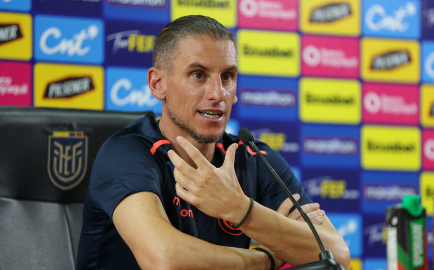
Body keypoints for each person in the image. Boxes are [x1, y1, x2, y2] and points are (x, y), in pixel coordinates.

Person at [76, 15, 350, 270]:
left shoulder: (254, 157)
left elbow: (337, 256)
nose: (218, 93)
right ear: (158, 84)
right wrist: (265, 259)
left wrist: (240, 209)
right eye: (198, 75)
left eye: (227, 77)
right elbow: (164, 259)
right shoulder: (126, 153)